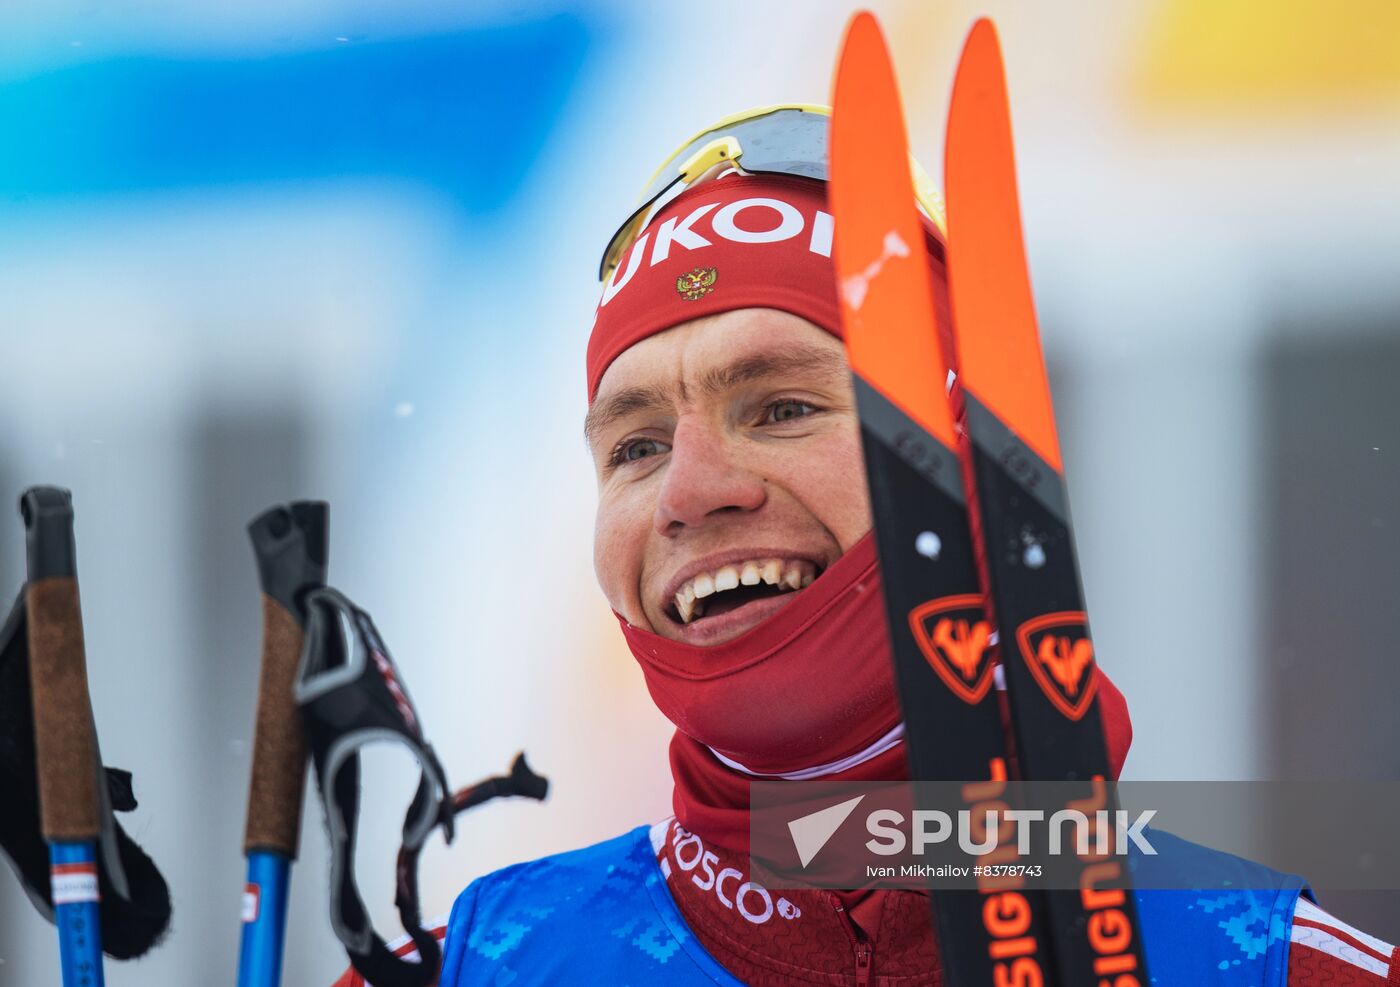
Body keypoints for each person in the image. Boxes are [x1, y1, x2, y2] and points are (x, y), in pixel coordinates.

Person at [333, 106, 1396, 986]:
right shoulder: (480, 968)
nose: (690, 494)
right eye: (637, 445)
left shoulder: (1254, 964)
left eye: (783, 407)